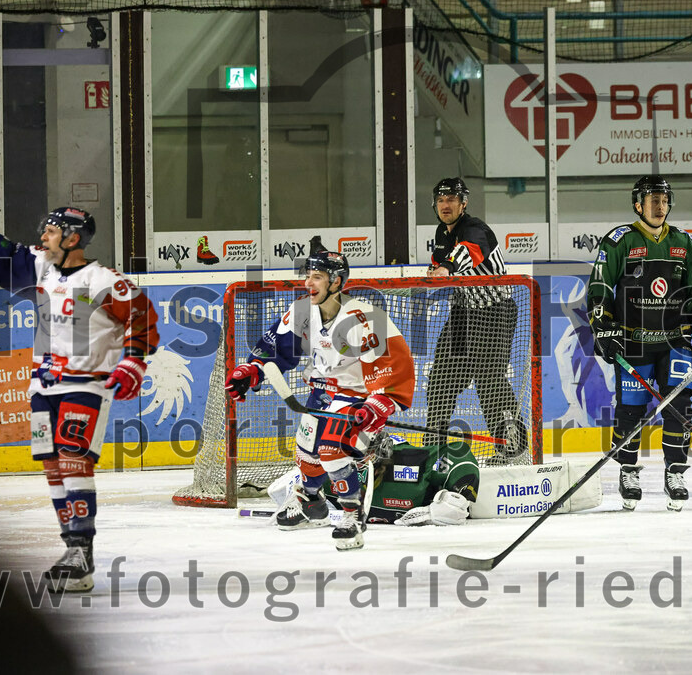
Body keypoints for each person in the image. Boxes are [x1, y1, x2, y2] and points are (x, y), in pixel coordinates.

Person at [0, 179, 160, 592]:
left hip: (85, 385)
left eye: (51, 230)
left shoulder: (102, 280)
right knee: (54, 467)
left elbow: (142, 318)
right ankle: (71, 549)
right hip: (43, 386)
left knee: (74, 459)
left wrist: (133, 361)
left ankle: (82, 554)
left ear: (73, 238)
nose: (43, 236)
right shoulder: (42, 266)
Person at [224, 247, 415, 550]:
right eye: (308, 276)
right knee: (307, 455)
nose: (309, 284)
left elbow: (395, 367)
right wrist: (252, 370)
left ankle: (352, 518)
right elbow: (275, 349)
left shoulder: (364, 318)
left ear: (337, 282)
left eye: (318, 278)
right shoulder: (303, 313)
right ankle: (312, 505)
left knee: (331, 451)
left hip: (356, 399)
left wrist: (381, 402)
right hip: (320, 394)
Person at [586, 175, 692, 512]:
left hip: (675, 342)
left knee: (679, 406)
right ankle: (628, 471)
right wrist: (603, 326)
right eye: (652, 200)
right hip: (634, 341)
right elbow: (600, 287)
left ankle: (675, 471)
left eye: (663, 200)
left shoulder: (684, 243)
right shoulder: (620, 241)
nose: (659, 206)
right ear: (637, 204)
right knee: (630, 410)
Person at [425, 177, 527, 463]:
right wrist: (435, 271)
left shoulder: (475, 228)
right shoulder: (442, 233)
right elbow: (439, 264)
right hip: (463, 314)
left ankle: (512, 447)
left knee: (489, 380)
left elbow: (467, 252)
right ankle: (435, 449)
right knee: (440, 382)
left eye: (452, 200)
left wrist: (445, 267)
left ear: (463, 203)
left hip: (495, 312)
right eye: (441, 200)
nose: (446, 205)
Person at [269, 434, 479, 526]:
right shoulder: (327, 473)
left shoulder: (408, 459)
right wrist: (304, 500)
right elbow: (282, 493)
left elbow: (458, 453)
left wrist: (458, 498)